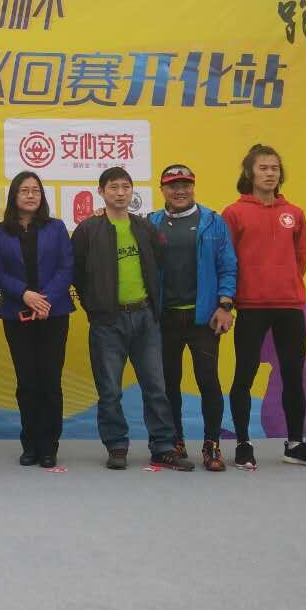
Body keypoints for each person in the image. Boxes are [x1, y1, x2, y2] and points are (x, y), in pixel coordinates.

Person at [72, 167, 192, 471]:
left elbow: (158, 263)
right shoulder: (87, 230)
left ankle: (163, 447)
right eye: (113, 187)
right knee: (110, 390)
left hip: (145, 318)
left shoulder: (144, 227)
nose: (120, 192)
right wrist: (95, 307)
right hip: (107, 321)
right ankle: (116, 445)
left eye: (126, 187)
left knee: (156, 386)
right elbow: (78, 274)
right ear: (101, 192)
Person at [222, 143, 306, 469]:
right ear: (249, 173)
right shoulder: (234, 213)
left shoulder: (294, 213)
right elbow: (227, 260)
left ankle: (295, 444)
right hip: (251, 306)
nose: (270, 173)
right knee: (245, 375)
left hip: (289, 306)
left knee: (293, 376)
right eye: (263, 168)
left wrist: (285, 284)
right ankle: (243, 443)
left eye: (274, 168)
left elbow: (300, 259)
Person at [148, 164, 238, 471]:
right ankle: (175, 441)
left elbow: (228, 265)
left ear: (193, 187)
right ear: (162, 190)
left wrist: (225, 305)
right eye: (173, 186)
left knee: (208, 382)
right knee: (168, 384)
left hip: (204, 319)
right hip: (165, 319)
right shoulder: (151, 222)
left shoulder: (213, 221)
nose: (180, 191)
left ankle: (211, 445)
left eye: (185, 185)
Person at [0, 172, 75, 468]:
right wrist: (25, 294)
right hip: (17, 314)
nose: (30, 195)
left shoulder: (56, 227)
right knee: (26, 381)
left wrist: (44, 299)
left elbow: (67, 267)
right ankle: (30, 444)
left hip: (54, 313)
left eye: (35, 190)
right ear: (14, 195)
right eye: (24, 190)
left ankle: (49, 446)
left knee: (50, 380)